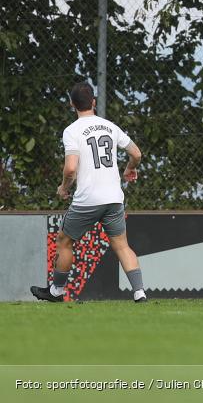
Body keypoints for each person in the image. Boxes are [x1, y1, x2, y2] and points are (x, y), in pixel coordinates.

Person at [31, 82, 146, 303]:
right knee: (121, 244)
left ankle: (57, 291)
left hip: (88, 200)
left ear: (71, 104)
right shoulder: (110, 126)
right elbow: (137, 153)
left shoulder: (71, 131)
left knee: (65, 240)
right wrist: (130, 168)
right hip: (114, 198)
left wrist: (64, 188)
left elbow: (71, 167)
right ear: (93, 102)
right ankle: (139, 292)